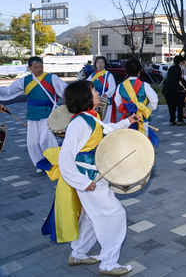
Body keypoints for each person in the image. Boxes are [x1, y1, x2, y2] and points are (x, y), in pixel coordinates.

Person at [52, 80, 139, 275]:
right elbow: (65, 158)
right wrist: (83, 183)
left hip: (93, 178)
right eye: (93, 90)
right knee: (115, 216)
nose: (97, 92)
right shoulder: (80, 123)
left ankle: (79, 253)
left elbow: (106, 130)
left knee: (93, 217)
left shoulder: (89, 117)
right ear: (85, 97)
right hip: (90, 179)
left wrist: (127, 122)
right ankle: (108, 263)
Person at [0, 56, 68, 172]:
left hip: (48, 113)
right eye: (36, 67)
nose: (39, 69)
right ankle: (40, 163)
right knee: (33, 142)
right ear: (30, 67)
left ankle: (53, 162)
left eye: (41, 66)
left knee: (45, 139)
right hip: (32, 114)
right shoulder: (24, 81)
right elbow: (8, 91)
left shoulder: (52, 78)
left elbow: (66, 91)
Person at [114, 59, 158, 136]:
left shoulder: (120, 86)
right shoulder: (145, 85)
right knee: (142, 139)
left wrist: (127, 108)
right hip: (141, 116)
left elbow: (118, 102)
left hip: (127, 116)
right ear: (139, 72)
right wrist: (147, 108)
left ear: (126, 71)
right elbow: (154, 99)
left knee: (128, 138)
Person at [162, 55, 186, 126]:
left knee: (171, 106)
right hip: (173, 90)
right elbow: (181, 79)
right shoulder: (179, 68)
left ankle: (172, 120)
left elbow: (172, 80)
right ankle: (180, 120)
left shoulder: (171, 68)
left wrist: (180, 87)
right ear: (181, 62)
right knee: (180, 104)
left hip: (166, 89)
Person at [87, 56, 116, 123]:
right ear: (95, 64)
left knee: (106, 120)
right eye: (98, 62)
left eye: (102, 63)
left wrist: (106, 94)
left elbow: (112, 87)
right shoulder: (92, 75)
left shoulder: (108, 74)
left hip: (106, 100)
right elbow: (87, 85)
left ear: (105, 64)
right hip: (95, 100)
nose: (100, 64)